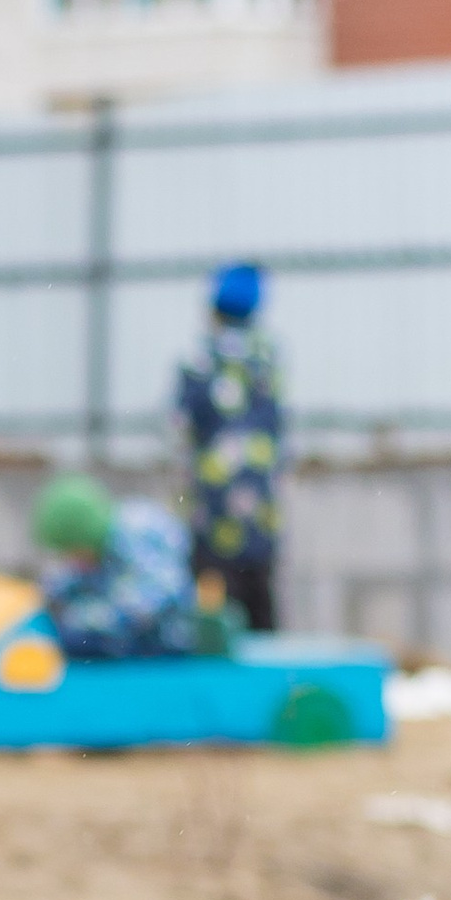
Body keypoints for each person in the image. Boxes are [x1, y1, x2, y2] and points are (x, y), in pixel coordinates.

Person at [176, 263, 285, 634]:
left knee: (214, 604)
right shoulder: (267, 356)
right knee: (260, 601)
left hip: (214, 509)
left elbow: (181, 422)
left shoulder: (200, 356)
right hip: (261, 513)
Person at [31, 475, 201, 659]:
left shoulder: (134, 535)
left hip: (167, 638)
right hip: (127, 635)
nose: (72, 563)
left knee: (78, 638)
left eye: (72, 553)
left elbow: (157, 597)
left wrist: (82, 616)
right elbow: (64, 583)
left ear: (84, 536)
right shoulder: (96, 549)